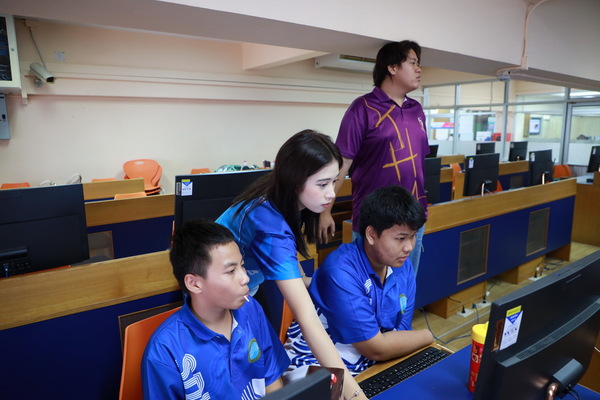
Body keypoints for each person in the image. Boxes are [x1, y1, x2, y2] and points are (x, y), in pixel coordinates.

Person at [216, 129, 368, 400]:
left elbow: (287, 258)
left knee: (268, 369)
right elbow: (307, 319)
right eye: (322, 184)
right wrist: (355, 395)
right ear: (294, 180)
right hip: (218, 299)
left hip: (247, 291)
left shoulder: (283, 198)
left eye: (334, 182)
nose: (331, 194)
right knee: (244, 378)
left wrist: (312, 282)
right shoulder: (268, 224)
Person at [286, 185, 434, 377]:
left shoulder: (402, 265)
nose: (409, 247)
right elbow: (375, 349)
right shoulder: (341, 271)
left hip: (371, 357)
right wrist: (428, 335)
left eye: (413, 237)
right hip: (319, 360)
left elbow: (402, 330)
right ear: (371, 234)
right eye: (400, 238)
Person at [141, 219, 289, 399]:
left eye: (242, 265)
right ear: (194, 284)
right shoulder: (165, 349)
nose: (245, 278)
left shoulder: (251, 307)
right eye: (231, 271)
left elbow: (271, 379)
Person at [319, 40, 429, 276]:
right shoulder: (363, 108)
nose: (419, 69)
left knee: (404, 289)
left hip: (413, 218)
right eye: (412, 63)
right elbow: (342, 163)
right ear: (392, 67)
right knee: (369, 289)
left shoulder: (417, 110)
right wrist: (325, 210)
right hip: (376, 221)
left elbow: (419, 163)